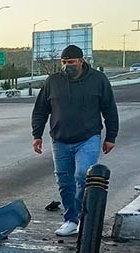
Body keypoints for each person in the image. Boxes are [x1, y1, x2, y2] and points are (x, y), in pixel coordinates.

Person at [31, 45, 119, 237]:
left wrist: (111, 136)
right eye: (63, 62)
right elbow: (41, 110)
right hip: (60, 140)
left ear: (81, 60)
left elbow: (109, 108)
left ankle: (82, 217)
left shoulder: (98, 80)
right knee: (64, 181)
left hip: (88, 138)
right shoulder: (53, 82)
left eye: (70, 62)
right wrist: (36, 135)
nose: (66, 66)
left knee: (82, 175)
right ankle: (71, 219)